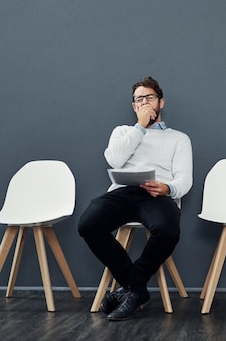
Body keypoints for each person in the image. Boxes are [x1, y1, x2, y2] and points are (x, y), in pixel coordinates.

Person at [78, 76, 193, 321]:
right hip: (123, 191)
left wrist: (167, 188)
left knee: (167, 229)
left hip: (157, 195)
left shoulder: (179, 138)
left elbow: (185, 179)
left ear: (160, 102)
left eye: (149, 97)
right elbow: (114, 160)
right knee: (88, 224)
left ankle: (132, 288)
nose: (144, 102)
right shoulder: (123, 132)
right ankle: (136, 290)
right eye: (138, 99)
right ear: (134, 107)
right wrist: (140, 127)